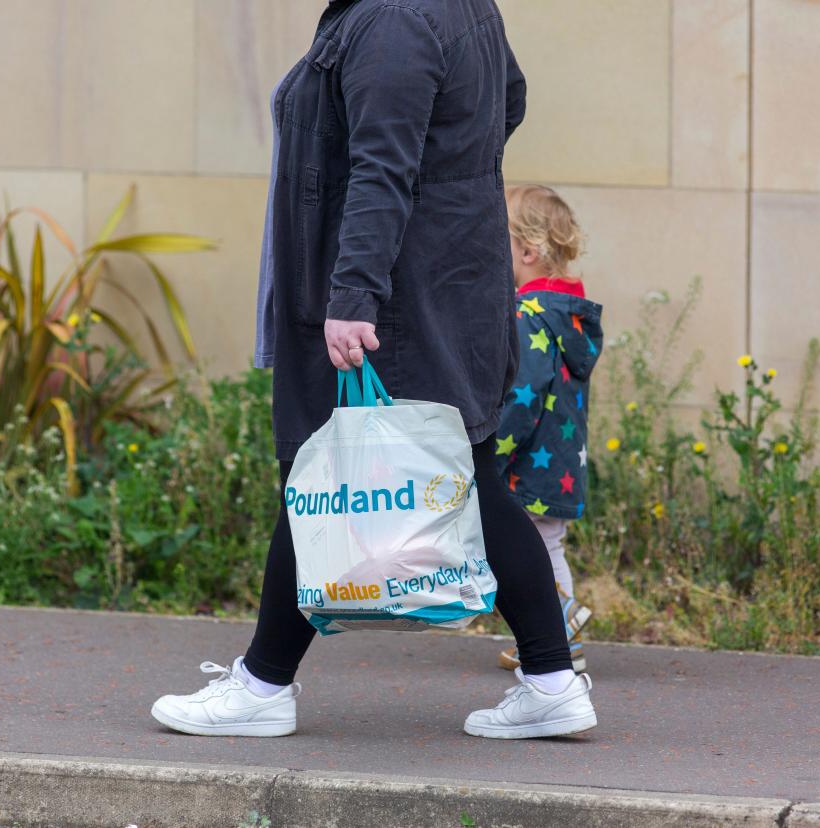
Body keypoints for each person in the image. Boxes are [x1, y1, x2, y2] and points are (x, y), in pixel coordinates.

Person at [151, 0, 598, 740]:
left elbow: (383, 166)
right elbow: (506, 99)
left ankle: (262, 686)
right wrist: (452, 184)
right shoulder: (448, 5)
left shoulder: (392, 19)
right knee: (467, 481)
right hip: (446, 281)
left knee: (322, 472)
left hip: (398, 298)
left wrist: (354, 292)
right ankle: (551, 678)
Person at [492, 185, 603, 675]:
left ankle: (559, 628)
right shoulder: (568, 317)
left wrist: (490, 453)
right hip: (558, 460)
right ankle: (543, 632)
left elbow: (521, 396)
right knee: (546, 544)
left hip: (526, 463)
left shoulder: (529, 317)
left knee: (519, 549)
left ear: (528, 252)